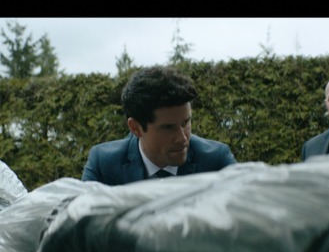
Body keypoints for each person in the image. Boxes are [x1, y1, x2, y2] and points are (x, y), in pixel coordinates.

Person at [82, 66, 236, 185]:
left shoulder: (217, 162)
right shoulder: (103, 164)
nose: (182, 138)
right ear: (135, 127)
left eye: (185, 123)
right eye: (168, 128)